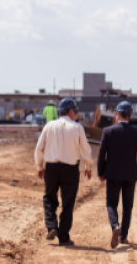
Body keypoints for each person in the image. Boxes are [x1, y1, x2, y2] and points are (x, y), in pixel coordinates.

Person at [34, 98, 93, 246]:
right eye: (75, 111)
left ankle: (52, 227)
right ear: (69, 111)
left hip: (51, 168)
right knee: (68, 202)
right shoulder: (77, 127)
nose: (76, 114)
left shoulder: (49, 126)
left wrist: (39, 166)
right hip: (70, 169)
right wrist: (88, 167)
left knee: (49, 198)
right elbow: (86, 150)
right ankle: (64, 236)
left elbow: (39, 148)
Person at [97, 101, 137, 249]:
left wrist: (100, 172)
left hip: (112, 174)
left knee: (112, 203)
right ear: (130, 115)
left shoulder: (108, 131)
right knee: (128, 206)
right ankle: (123, 235)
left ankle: (114, 226)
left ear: (117, 114)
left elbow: (102, 154)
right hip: (130, 175)